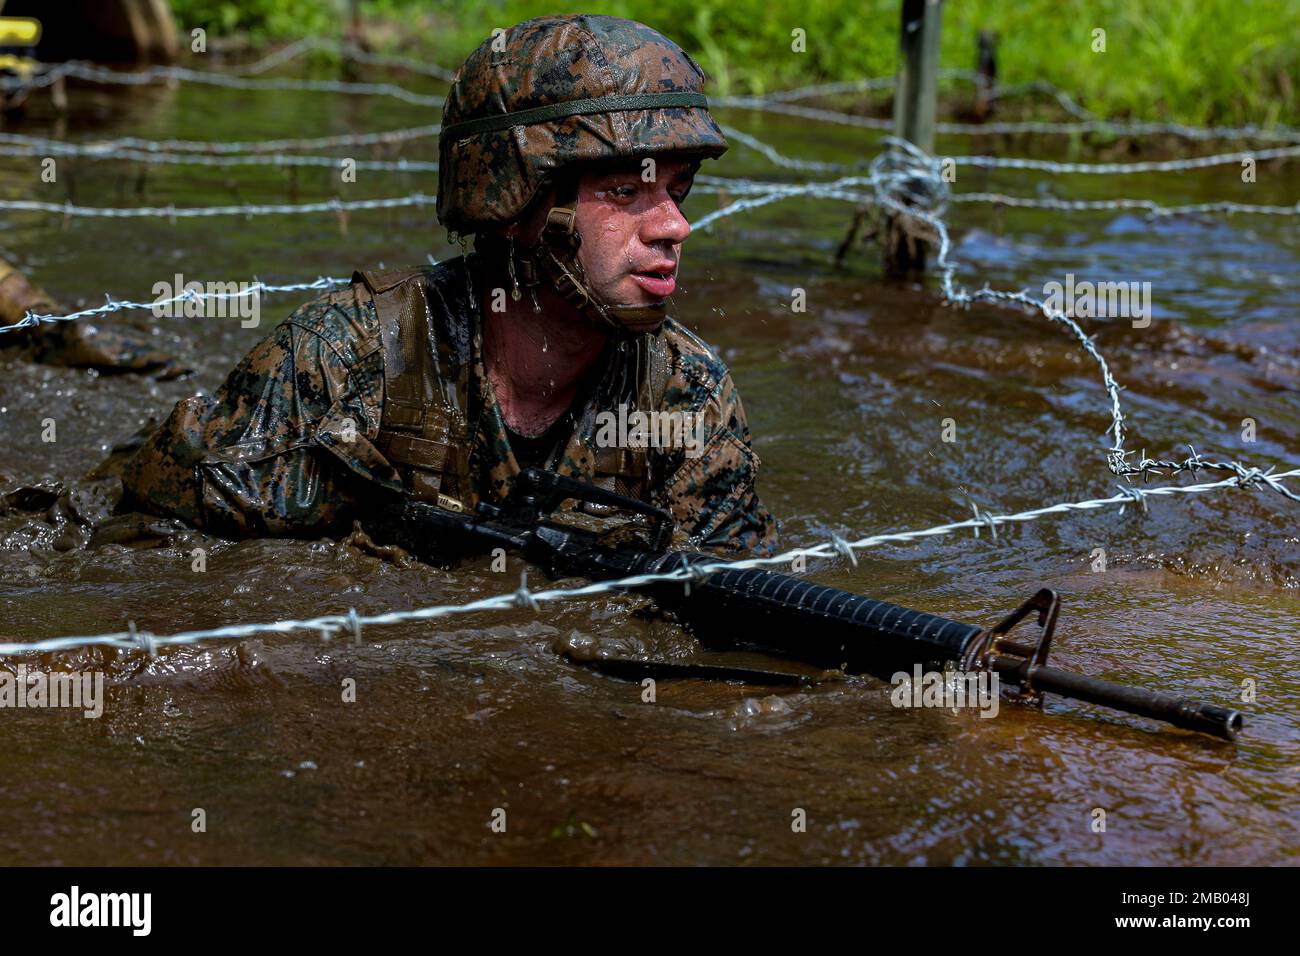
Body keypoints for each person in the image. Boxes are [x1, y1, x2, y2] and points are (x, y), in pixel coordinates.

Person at [120, 14, 779, 556]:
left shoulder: (686, 393)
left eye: (679, 190)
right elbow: (138, 543)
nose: (674, 226)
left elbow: (724, 593)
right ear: (517, 206)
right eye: (626, 191)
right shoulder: (345, 360)